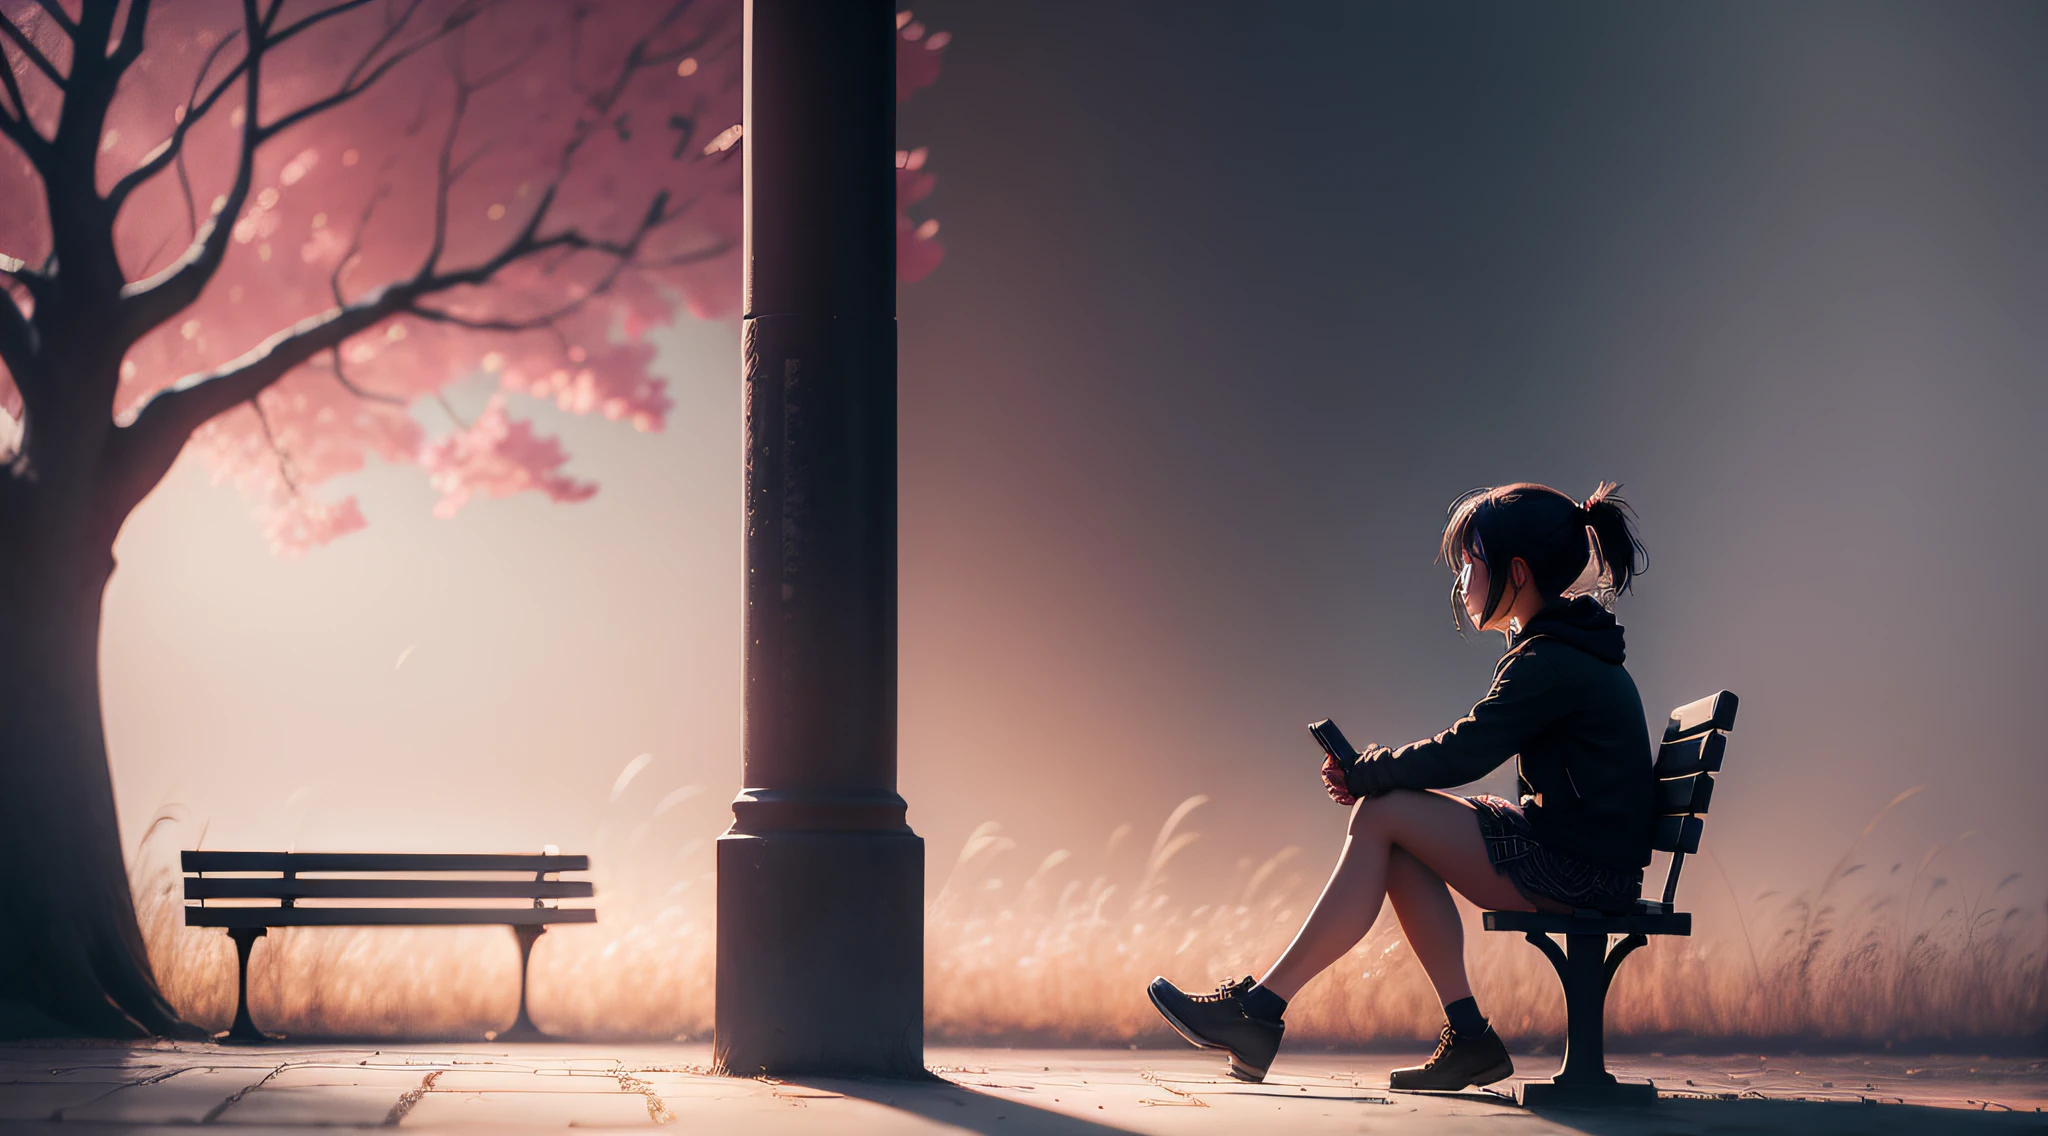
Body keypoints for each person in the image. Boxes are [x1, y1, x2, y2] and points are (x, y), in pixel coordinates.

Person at [1147, 481, 1653, 1089]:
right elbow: (1477, 751)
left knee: (1383, 814)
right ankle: (1465, 1038)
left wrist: (1370, 773)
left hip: (1583, 874)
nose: (1464, 580)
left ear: (1517, 572)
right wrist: (1374, 775)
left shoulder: (1549, 661)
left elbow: (1466, 749)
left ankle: (1259, 1013)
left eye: (1474, 564)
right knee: (1393, 831)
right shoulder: (1563, 649)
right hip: (1584, 857)